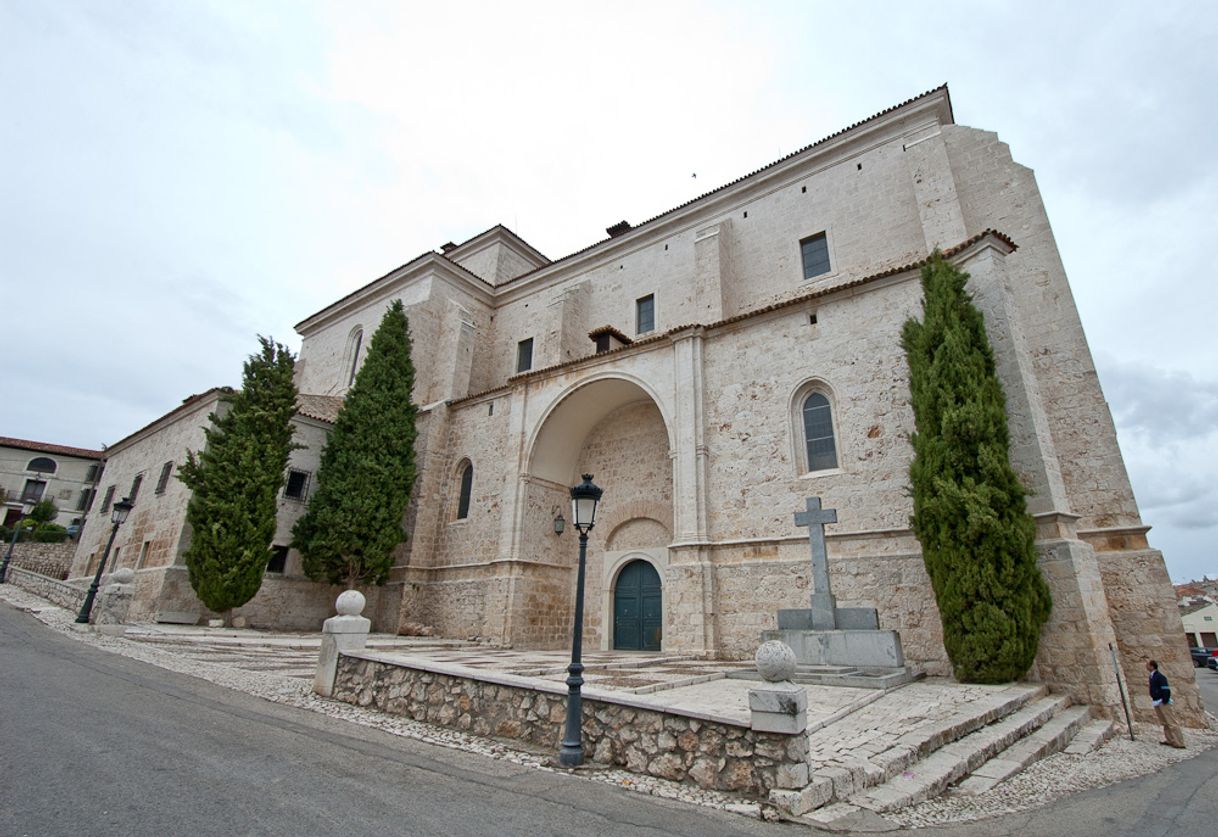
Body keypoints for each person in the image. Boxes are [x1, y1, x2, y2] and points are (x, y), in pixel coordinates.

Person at [1146, 659, 1185, 748]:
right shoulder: (1152, 676)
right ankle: (1170, 739)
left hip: (1162, 701)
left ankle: (1179, 742)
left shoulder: (1160, 677)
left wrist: (1164, 700)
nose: (1146, 666)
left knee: (1171, 722)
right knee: (1164, 722)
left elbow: (1165, 689)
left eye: (1147, 665)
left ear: (1152, 666)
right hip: (1157, 701)